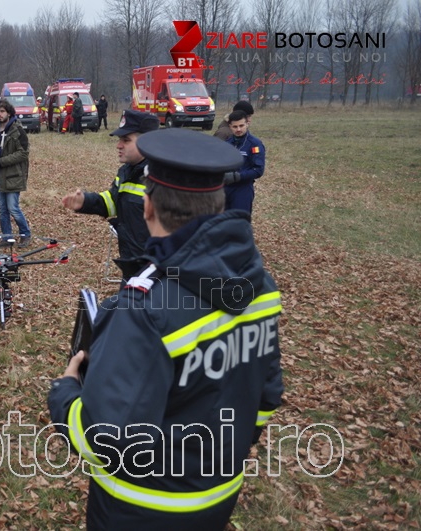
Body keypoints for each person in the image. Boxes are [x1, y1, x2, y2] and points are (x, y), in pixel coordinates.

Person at [49, 128, 283, 529]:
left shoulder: (144, 307)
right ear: (218, 203)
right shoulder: (260, 285)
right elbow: (266, 395)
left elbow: (103, 438)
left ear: (147, 208)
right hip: (219, 496)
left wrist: (65, 392)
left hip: (140, 508)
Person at [61, 109, 159, 277]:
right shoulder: (127, 171)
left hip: (156, 271)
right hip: (132, 266)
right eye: (119, 140)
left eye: (126, 140)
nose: (118, 145)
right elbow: (113, 203)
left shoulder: (162, 177)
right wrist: (85, 202)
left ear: (147, 142)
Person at [0, 99, 32, 247]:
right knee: (2, 209)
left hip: (13, 175)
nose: (0, 114)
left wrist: (3, 161)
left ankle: (25, 234)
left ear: (9, 113)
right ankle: (7, 238)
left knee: (13, 208)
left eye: (2, 111)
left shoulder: (17, 130)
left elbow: (23, 153)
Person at [223, 109, 266, 213]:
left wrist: (238, 176)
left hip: (243, 190)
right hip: (224, 189)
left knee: (239, 220)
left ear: (247, 124)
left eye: (241, 126)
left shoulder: (254, 144)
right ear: (230, 127)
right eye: (235, 127)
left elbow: (258, 170)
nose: (238, 129)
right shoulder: (226, 144)